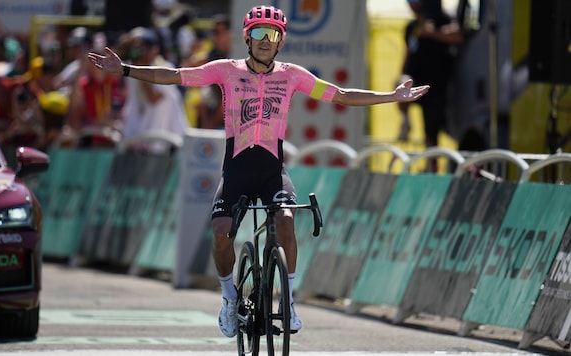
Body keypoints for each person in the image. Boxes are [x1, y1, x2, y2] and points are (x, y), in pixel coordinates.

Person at [88, 5, 429, 338]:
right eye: (259, 33)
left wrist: (391, 97)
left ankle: (290, 303)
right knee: (221, 232)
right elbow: (176, 76)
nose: (266, 40)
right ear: (247, 38)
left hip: (271, 170)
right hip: (236, 170)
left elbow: (340, 95)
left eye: (273, 34)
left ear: (281, 41)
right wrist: (127, 70)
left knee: (286, 220)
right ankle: (228, 297)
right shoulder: (226, 70)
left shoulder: (292, 75)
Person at [397, 0, 463, 168]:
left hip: (435, 84)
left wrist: (433, 33)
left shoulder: (443, 19)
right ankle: (405, 121)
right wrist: (401, 73)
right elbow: (408, 53)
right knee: (400, 87)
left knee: (431, 132)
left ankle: (431, 167)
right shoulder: (411, 27)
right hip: (415, 77)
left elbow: (457, 36)